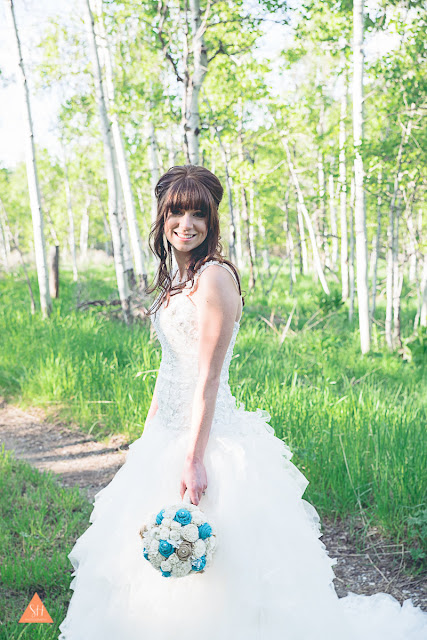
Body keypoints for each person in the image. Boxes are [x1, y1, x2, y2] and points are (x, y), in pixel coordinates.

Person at [59, 165, 427, 639]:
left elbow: (207, 378)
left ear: (211, 221)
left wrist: (193, 458)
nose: (186, 224)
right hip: (167, 433)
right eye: (176, 213)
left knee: (220, 567)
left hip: (206, 437)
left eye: (198, 214)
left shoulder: (213, 279)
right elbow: (170, 370)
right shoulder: (178, 279)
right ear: (161, 217)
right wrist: (148, 439)